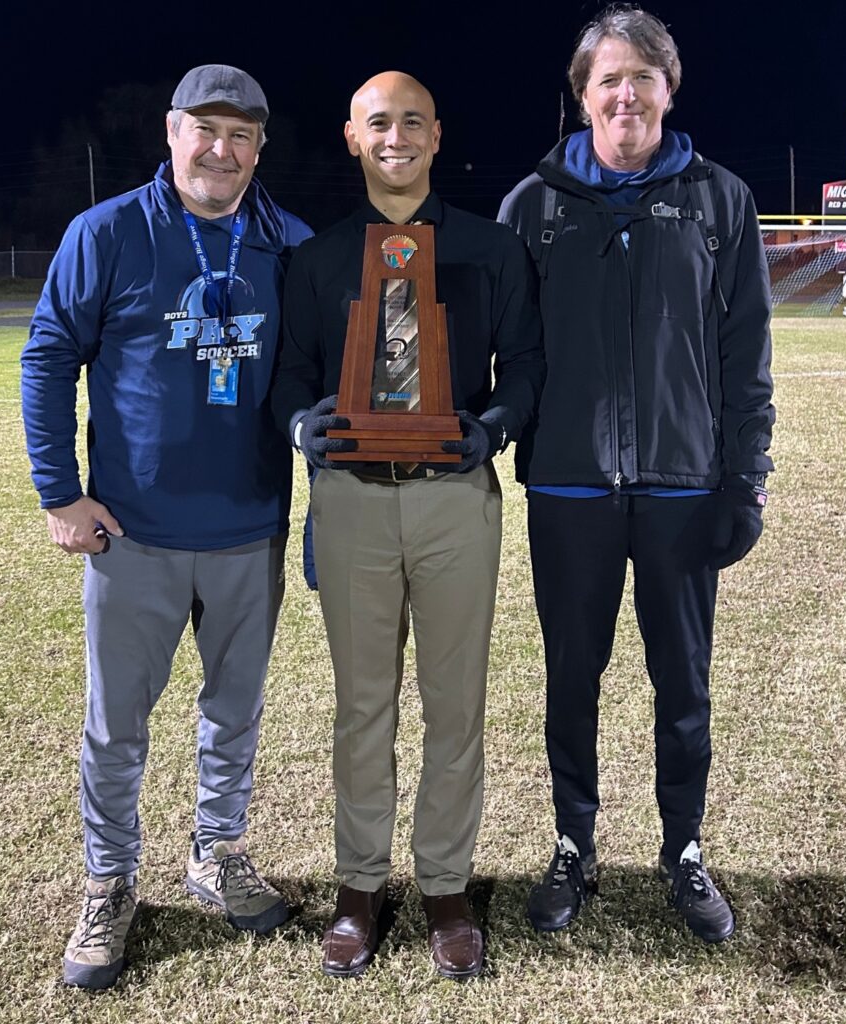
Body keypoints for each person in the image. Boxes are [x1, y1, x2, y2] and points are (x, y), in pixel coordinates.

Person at [21, 64, 312, 990]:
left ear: (260, 149)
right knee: (117, 726)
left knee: (234, 713)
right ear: (172, 131)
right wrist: (61, 495)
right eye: (206, 130)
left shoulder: (289, 243)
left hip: (249, 528)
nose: (221, 151)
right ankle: (110, 881)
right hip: (133, 535)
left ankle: (216, 850)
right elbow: (47, 357)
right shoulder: (106, 232)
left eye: (242, 136)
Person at [498, 5, 774, 944]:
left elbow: (745, 355)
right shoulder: (529, 207)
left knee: (683, 683)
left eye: (642, 76)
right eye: (607, 78)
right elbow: (508, 354)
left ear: (668, 89)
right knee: (573, 677)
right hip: (570, 489)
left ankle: (684, 849)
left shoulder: (719, 201)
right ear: (581, 96)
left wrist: (745, 479)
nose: (626, 94)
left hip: (682, 488)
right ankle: (574, 843)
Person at [272, 71, 543, 979]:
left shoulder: (490, 249)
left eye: (413, 121)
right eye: (378, 122)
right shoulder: (315, 260)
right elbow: (288, 381)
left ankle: (445, 887)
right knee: (362, 705)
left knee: (455, 704)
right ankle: (359, 886)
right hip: (351, 497)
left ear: (436, 134)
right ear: (352, 137)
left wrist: (491, 429)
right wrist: (302, 428)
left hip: (453, 500)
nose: (397, 136)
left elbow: (528, 371)